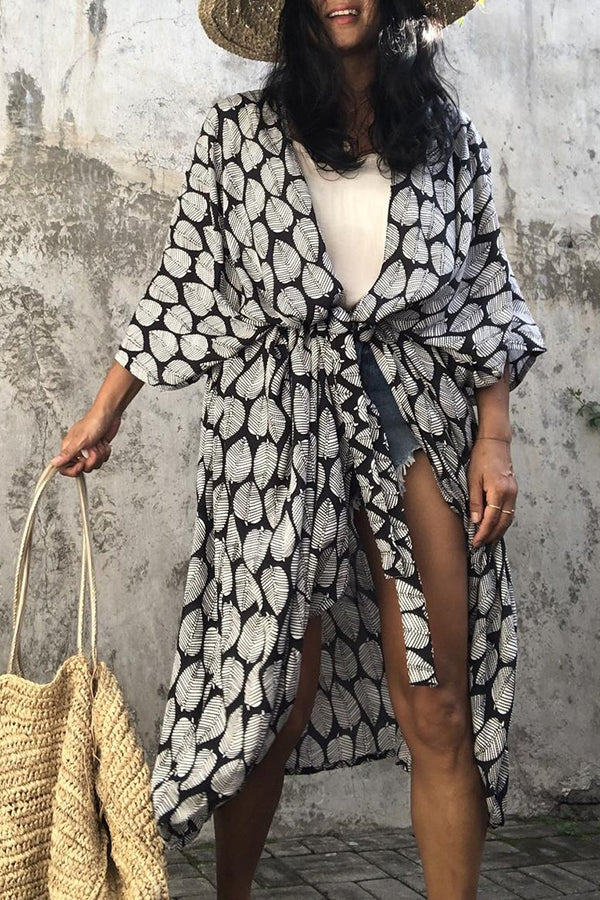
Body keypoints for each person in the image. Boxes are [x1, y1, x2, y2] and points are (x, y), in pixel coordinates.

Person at [50, 1, 547, 897]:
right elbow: (186, 277)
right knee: (266, 700)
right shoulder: (237, 132)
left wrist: (496, 438)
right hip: (273, 427)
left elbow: (484, 289)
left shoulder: (448, 137)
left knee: (440, 707)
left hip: (415, 421)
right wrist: (105, 410)